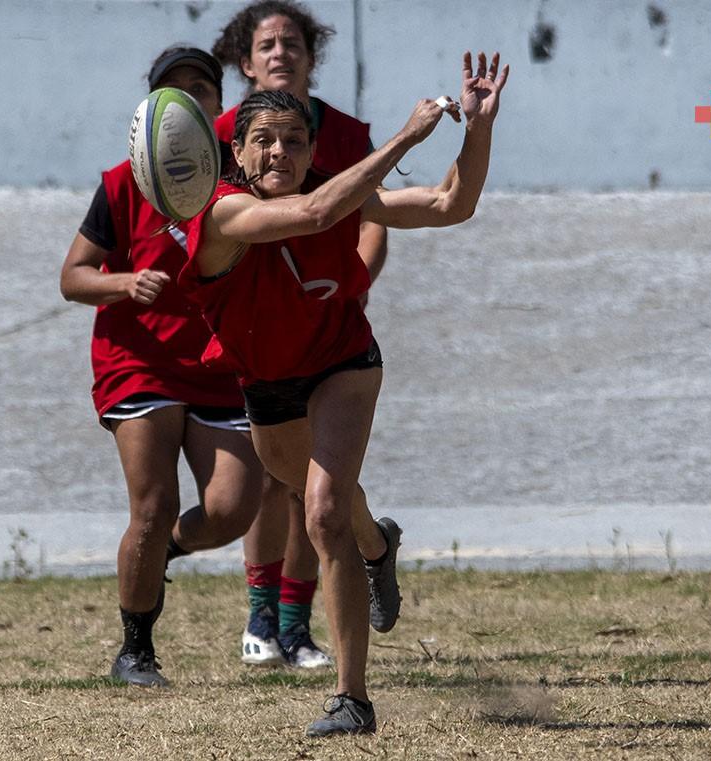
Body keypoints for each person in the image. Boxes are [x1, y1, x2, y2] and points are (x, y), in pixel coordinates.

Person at [178, 51, 509, 736]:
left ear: (311, 150)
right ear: (235, 153)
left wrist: (474, 130)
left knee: (323, 512)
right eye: (263, 140)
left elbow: (453, 204)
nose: (280, 151)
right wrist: (407, 137)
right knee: (331, 504)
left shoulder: (337, 188)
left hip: (343, 364)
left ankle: (352, 697)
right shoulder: (221, 214)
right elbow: (316, 211)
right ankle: (379, 546)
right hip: (268, 383)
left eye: (294, 140)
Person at [59, 46, 264, 688]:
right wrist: (123, 283)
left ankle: (160, 553)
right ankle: (136, 648)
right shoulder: (123, 183)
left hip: (217, 362)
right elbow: (72, 278)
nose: (189, 101)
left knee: (233, 509)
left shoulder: (242, 177)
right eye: (173, 92)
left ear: (218, 102)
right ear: (152, 108)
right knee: (151, 504)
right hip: (138, 361)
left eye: (201, 89)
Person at [210, 0, 391, 669]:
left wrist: (349, 280)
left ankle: (298, 621)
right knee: (271, 474)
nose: (281, 52)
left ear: (313, 59)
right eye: (267, 43)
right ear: (246, 61)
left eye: (294, 42)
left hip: (326, 329)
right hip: (254, 330)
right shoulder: (219, 138)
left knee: (319, 496)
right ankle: (263, 610)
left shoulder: (343, 134)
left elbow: (371, 217)